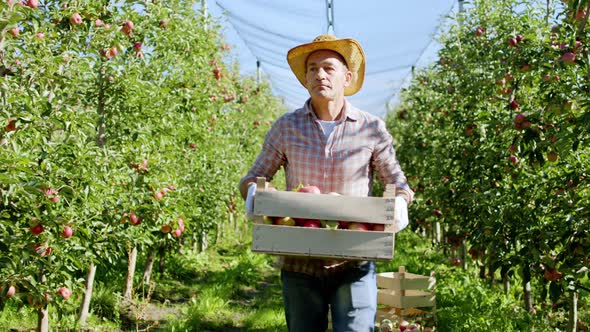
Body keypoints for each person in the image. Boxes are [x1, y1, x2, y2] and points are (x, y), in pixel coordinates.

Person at [238, 34, 414, 332]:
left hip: (354, 259)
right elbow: (254, 176)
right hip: (299, 262)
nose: (320, 74)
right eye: (312, 68)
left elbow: (396, 182)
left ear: (347, 77)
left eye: (328, 68)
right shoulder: (287, 127)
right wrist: (254, 192)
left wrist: (400, 203)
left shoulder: (371, 128)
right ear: (305, 78)